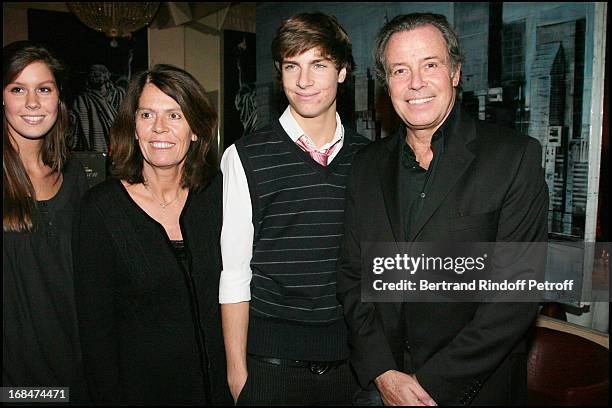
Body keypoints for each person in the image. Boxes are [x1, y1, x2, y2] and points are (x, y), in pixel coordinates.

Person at [337, 13, 549, 406]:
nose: (415, 82)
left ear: (455, 72)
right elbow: (353, 274)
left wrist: (430, 385)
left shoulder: (514, 157)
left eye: (429, 65)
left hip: (474, 391)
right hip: (380, 388)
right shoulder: (366, 166)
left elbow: (515, 296)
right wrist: (383, 373)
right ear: (387, 84)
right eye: (400, 70)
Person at [219, 12, 369, 405]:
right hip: (271, 367)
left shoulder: (368, 158)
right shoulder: (244, 157)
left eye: (318, 64)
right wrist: (238, 374)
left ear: (342, 71)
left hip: (351, 367)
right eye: (292, 66)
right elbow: (233, 273)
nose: (304, 81)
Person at [72, 64, 231, 405]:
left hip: (221, 393)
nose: (159, 128)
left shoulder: (219, 196)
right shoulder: (100, 209)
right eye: (147, 114)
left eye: (174, 115)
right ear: (133, 127)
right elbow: (95, 334)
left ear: (196, 130)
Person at [3, 41, 89, 400]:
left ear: (59, 99)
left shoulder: (75, 177)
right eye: (18, 89)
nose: (33, 103)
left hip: (77, 369)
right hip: (14, 380)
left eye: (44, 89)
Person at [70, 53, 132, 152]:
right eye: (92, 73)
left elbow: (125, 81)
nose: (95, 75)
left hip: (115, 142)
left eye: (99, 73)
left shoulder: (116, 94)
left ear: (107, 76)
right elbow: (77, 118)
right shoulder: (84, 99)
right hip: (95, 145)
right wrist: (72, 121)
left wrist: (127, 64)